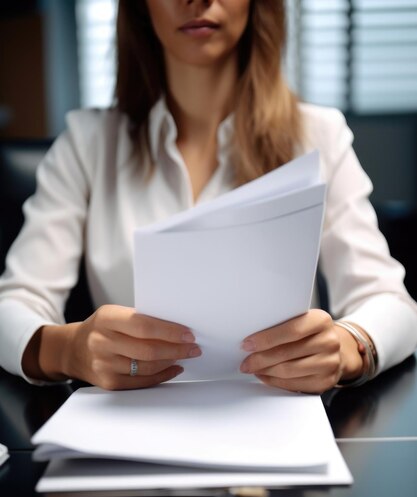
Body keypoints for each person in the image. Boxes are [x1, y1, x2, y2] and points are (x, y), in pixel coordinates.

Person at [0, 0, 416, 395]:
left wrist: (349, 346)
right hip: (131, 424)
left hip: (277, 422)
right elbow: (13, 304)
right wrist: (66, 350)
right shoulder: (88, 144)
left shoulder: (318, 134)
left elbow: (392, 305)